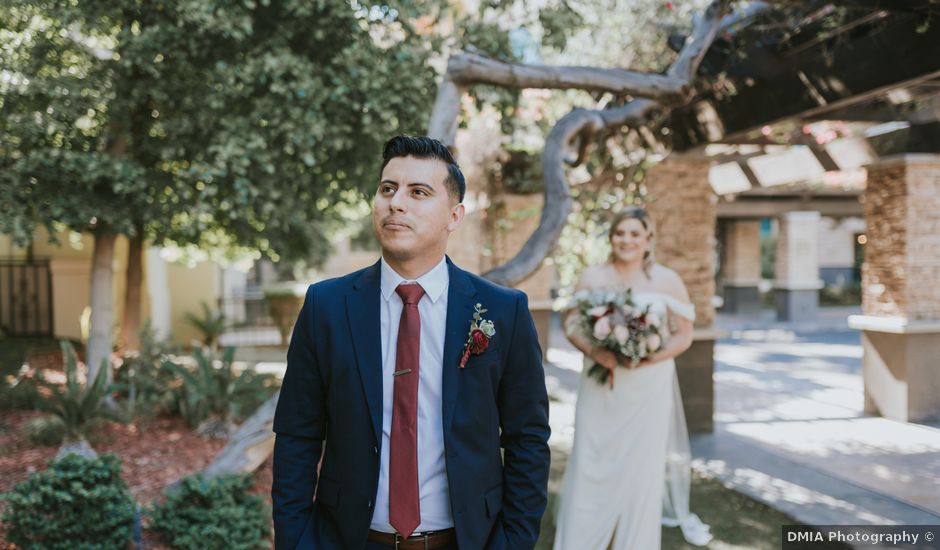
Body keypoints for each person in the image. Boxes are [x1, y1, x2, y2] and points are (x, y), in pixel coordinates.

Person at [272, 135, 551, 550]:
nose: (396, 202)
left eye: (418, 192)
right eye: (388, 189)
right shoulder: (326, 307)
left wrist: (512, 542)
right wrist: (297, 541)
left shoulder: (502, 311)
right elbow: (297, 435)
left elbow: (527, 438)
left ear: (454, 216)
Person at [553, 206, 712, 549]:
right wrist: (598, 353)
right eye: (620, 233)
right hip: (602, 382)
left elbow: (684, 335)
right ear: (610, 238)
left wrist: (649, 357)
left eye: (635, 234)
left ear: (648, 239)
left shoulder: (667, 280)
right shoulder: (592, 276)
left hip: (648, 387)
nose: (627, 240)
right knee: (591, 460)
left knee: (642, 468)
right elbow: (571, 325)